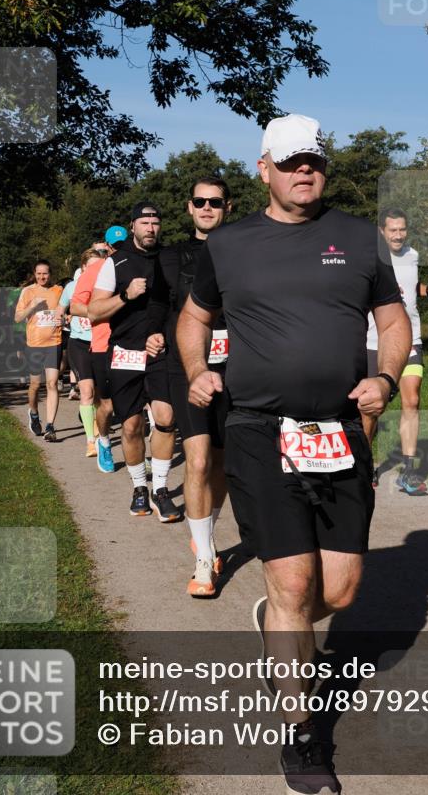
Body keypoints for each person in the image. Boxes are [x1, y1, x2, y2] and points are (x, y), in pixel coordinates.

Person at [177, 114, 411, 794]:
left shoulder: (360, 238)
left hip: (339, 429)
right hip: (258, 429)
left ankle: (281, 622)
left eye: (313, 160)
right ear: (264, 169)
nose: (303, 171)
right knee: (294, 585)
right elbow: (193, 316)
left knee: (338, 590)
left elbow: (392, 319)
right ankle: (303, 733)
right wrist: (196, 368)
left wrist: (386, 377)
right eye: (289, 162)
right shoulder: (229, 244)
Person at [161, 176, 232, 597]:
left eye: (215, 202)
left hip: (233, 368)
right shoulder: (169, 256)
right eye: (200, 201)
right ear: (189, 207)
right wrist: (150, 338)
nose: (207, 208)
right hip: (186, 368)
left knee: (221, 463)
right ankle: (203, 559)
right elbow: (154, 307)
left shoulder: (242, 249)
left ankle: (208, 534)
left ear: (227, 207)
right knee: (199, 460)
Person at [89, 204, 180, 521]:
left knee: (166, 417)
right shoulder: (115, 263)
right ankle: (140, 487)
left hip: (160, 351)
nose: (151, 228)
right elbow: (94, 311)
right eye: (144, 222)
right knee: (130, 426)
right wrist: (125, 295)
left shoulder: (170, 259)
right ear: (133, 226)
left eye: (155, 222)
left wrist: (166, 335)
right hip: (125, 351)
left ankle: (161, 489)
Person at [364, 207, 428, 493]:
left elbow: (411, 286)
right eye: (393, 230)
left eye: (402, 229)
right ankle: (365, 466)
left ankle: (408, 472)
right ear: (382, 231)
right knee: (372, 408)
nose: (398, 235)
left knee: (412, 400)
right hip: (376, 342)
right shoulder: (371, 258)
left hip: (411, 339)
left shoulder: (412, 255)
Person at [70, 227, 127, 473]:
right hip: (103, 344)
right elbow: (75, 307)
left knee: (135, 406)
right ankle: (102, 441)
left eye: (122, 245)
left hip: (133, 345)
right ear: (106, 246)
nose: (117, 250)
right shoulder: (95, 270)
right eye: (113, 246)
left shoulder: (138, 265)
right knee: (107, 405)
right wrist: (100, 310)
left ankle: (140, 454)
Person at [60, 248, 107, 457]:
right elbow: (60, 310)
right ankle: (90, 441)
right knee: (86, 391)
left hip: (101, 343)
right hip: (79, 343)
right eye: (92, 266)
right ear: (83, 267)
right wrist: (63, 318)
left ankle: (98, 426)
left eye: (100, 266)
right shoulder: (71, 287)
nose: (96, 270)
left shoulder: (107, 286)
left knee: (100, 394)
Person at [14, 259, 64, 441]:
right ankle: (34, 413)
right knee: (35, 385)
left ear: (50, 274)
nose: (42, 277)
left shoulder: (59, 290)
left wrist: (63, 320)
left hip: (54, 342)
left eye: (45, 273)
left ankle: (50, 426)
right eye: (39, 274)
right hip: (34, 344)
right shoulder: (28, 291)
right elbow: (18, 318)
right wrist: (32, 306)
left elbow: (66, 313)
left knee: (52, 383)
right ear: (34, 274)